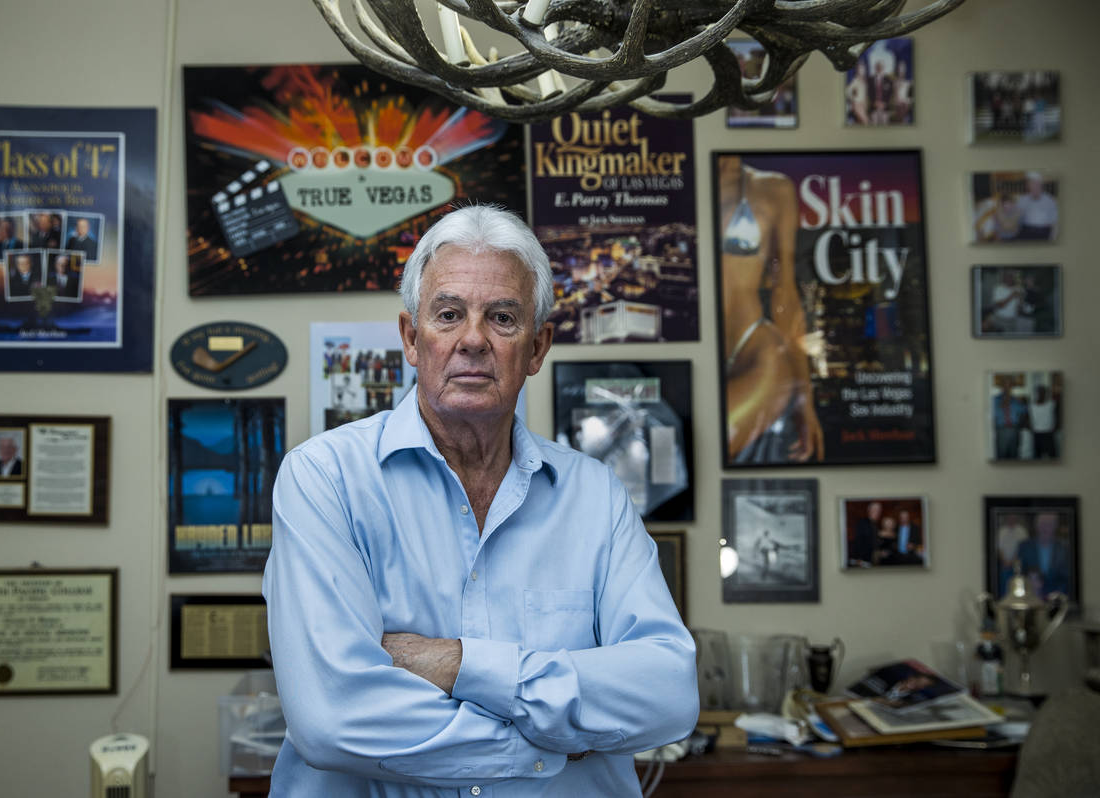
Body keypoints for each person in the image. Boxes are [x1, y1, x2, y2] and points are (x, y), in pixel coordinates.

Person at [263, 205, 698, 796]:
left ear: (538, 347)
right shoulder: (325, 479)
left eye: (502, 318)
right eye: (448, 315)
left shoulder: (596, 496)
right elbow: (333, 720)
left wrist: (457, 664)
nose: (472, 340)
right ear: (411, 339)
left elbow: (669, 693)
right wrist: (552, 741)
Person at [718, 156, 824, 464]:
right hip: (695, 356)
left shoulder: (772, 188)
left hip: (753, 350)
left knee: (704, 446)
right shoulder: (675, 180)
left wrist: (803, 395)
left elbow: (785, 292)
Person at [1013, 512, 1070, 599]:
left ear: (1055, 526)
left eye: (1049, 525)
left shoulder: (1064, 548)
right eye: (1042, 524)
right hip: (1030, 596)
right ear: (1036, 526)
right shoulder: (1024, 546)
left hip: (1058, 597)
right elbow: (1019, 573)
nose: (1045, 528)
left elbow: (1067, 577)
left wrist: (1059, 593)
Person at [1016, 172, 1058, 240]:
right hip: (1026, 231)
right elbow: (1017, 218)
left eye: (1036, 183)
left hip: (1043, 232)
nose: (1034, 186)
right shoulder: (1022, 200)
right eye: (1031, 183)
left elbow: (1054, 222)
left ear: (1041, 185)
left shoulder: (1050, 200)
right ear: (1027, 186)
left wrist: (1052, 238)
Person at [992, 380, 1028, 460]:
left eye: (1009, 386)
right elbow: (991, 413)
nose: (1007, 388)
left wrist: (1024, 401)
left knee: (1014, 454)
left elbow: (1025, 410)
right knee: (1001, 454)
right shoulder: (994, 400)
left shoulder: (1015, 400)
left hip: (1014, 429)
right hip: (1001, 429)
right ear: (1002, 387)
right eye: (1005, 386)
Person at [1028, 384, 1059, 459]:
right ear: (1036, 393)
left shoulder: (1051, 404)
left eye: (1043, 392)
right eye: (1039, 392)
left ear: (1045, 393)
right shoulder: (1031, 405)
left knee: (1052, 457)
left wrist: (1056, 427)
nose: (1041, 394)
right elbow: (1029, 418)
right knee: (1037, 457)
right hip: (1037, 433)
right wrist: (1031, 427)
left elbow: (1057, 416)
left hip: (1049, 433)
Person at [849, 501, 881, 567]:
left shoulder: (876, 525)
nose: (877, 512)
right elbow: (858, 541)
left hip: (872, 560)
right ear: (869, 510)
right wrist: (859, 558)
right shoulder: (862, 523)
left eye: (879, 510)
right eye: (874, 510)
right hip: (862, 560)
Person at [845, 61, 869, 125]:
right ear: (857, 70)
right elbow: (847, 92)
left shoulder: (864, 81)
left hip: (864, 105)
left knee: (860, 123)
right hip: (857, 105)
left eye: (863, 69)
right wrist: (853, 99)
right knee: (866, 122)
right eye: (860, 69)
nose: (861, 71)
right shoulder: (855, 81)